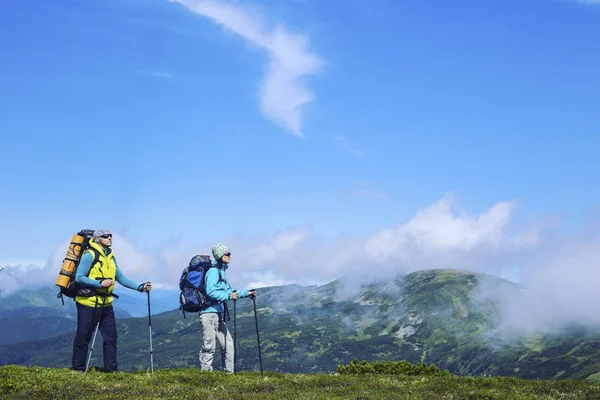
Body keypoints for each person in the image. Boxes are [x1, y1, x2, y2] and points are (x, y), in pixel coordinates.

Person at [71, 229, 152, 372]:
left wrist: (140, 287)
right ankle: (78, 369)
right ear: (97, 239)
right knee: (83, 336)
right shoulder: (89, 255)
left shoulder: (111, 256)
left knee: (111, 337)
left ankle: (111, 370)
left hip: (106, 303)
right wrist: (99, 284)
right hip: (88, 303)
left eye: (110, 236)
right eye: (106, 236)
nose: (110, 238)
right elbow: (79, 277)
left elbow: (120, 278)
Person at [199, 242, 256, 373]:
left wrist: (247, 294)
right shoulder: (213, 271)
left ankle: (229, 374)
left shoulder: (221, 272)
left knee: (228, 345)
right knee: (209, 345)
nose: (230, 256)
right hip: (208, 314)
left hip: (218, 315)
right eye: (227, 254)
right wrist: (229, 296)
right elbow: (210, 291)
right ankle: (205, 375)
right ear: (220, 255)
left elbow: (230, 291)